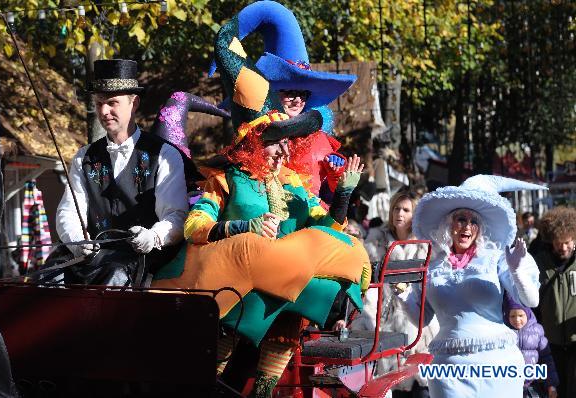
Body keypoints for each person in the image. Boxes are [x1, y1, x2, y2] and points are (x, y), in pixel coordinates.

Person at [152, 12, 370, 397]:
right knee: (222, 353)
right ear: (252, 144)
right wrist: (242, 229)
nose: (283, 148)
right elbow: (194, 228)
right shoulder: (225, 181)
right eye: (274, 140)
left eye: (286, 140)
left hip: (283, 291)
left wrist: (344, 195)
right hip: (233, 291)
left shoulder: (292, 183)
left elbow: (329, 229)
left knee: (290, 307)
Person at [396, 175, 544, 397]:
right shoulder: (432, 266)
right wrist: (403, 292)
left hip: (497, 363)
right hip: (447, 369)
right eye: (461, 219)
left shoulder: (496, 258)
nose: (467, 226)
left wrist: (517, 271)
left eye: (474, 221)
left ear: (480, 228)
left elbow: (531, 301)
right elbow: (422, 318)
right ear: (448, 224)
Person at [51, 59, 189, 285]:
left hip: (144, 264)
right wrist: (77, 241)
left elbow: (176, 215)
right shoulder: (84, 157)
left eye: (112, 103)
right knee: (46, 282)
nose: (104, 111)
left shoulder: (164, 155)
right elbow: (68, 211)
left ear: (133, 103)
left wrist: (153, 236)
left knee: (114, 280)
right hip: (94, 259)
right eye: (98, 104)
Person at [209, 0, 357, 203]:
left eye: (303, 93)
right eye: (288, 92)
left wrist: (336, 178)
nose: (297, 99)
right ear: (270, 93)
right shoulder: (251, 138)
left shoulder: (319, 141)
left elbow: (328, 197)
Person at [354, 189, 439, 397]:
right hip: (384, 320)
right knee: (390, 384)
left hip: (419, 321)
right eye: (396, 209)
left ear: (415, 214)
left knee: (422, 389)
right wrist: (369, 315)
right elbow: (369, 286)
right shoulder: (375, 242)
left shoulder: (426, 245)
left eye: (406, 210)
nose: (399, 214)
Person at [534, 206, 576, 398]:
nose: (563, 248)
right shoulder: (539, 263)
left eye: (567, 242)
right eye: (559, 243)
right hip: (549, 345)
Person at [502, 294, 559, 398]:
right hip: (510, 385)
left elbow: (546, 359)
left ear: (527, 314)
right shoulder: (503, 332)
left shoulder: (536, 331)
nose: (517, 320)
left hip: (532, 385)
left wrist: (551, 385)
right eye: (512, 316)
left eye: (520, 315)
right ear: (507, 316)